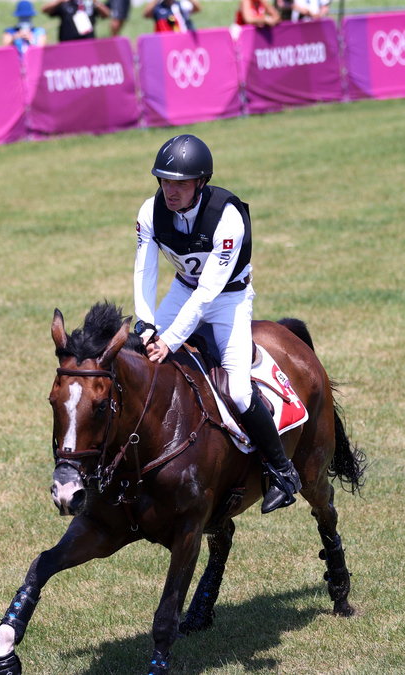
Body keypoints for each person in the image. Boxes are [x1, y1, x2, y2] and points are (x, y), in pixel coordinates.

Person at [133, 134, 302, 514]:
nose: (170, 191)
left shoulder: (227, 217)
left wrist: (171, 339)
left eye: (180, 183)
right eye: (164, 181)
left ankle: (282, 471)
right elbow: (144, 270)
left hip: (228, 300)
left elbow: (209, 292)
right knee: (137, 358)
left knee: (240, 392)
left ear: (201, 183)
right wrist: (145, 323)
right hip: (182, 291)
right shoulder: (149, 212)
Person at [42, 0, 110, 42]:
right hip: (68, 42)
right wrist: (59, 1)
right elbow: (45, 9)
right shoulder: (65, 3)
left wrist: (96, 2)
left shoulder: (89, 3)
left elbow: (107, 14)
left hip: (88, 41)